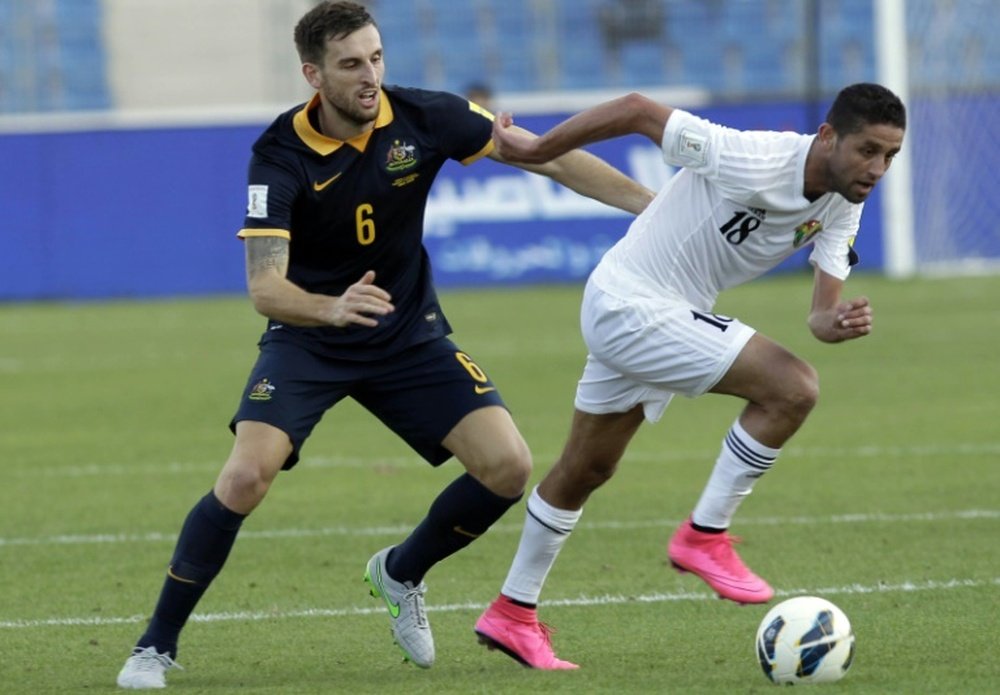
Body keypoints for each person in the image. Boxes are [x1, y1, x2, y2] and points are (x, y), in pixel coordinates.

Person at [115, 2, 653, 689]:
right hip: (310, 335)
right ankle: (155, 646)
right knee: (247, 475)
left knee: (508, 467)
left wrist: (650, 203)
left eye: (376, 59)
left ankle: (400, 572)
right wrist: (330, 307)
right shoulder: (277, 155)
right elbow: (265, 287)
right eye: (350, 65)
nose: (370, 77)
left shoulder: (426, 116)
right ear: (313, 74)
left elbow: (543, 158)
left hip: (405, 332)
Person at [474, 83, 906, 669]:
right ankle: (704, 536)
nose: (877, 168)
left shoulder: (844, 200)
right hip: (632, 302)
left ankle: (512, 612)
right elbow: (635, 110)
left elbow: (820, 314)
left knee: (586, 468)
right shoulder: (750, 155)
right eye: (868, 150)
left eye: (890, 156)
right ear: (828, 136)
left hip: (662, 311)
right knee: (792, 387)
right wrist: (536, 149)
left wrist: (836, 322)